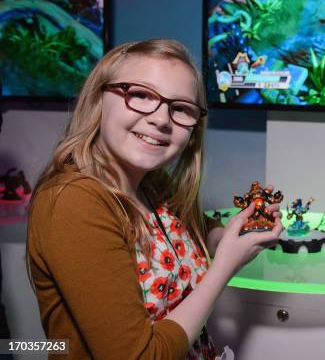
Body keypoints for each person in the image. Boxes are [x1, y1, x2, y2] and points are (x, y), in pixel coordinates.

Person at [26, 39, 282, 359]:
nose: (161, 119)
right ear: (98, 100)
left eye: (180, 109)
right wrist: (226, 264)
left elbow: (188, 226)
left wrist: (224, 236)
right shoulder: (73, 202)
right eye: (141, 95)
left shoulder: (151, 184)